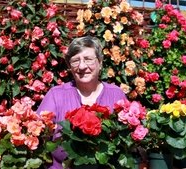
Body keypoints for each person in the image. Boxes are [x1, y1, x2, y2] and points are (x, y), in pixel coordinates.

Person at [36, 36, 126, 169]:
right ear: (69, 66)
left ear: (100, 62)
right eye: (75, 61)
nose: (82, 66)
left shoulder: (116, 95)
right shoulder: (56, 95)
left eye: (88, 59)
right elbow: (38, 132)